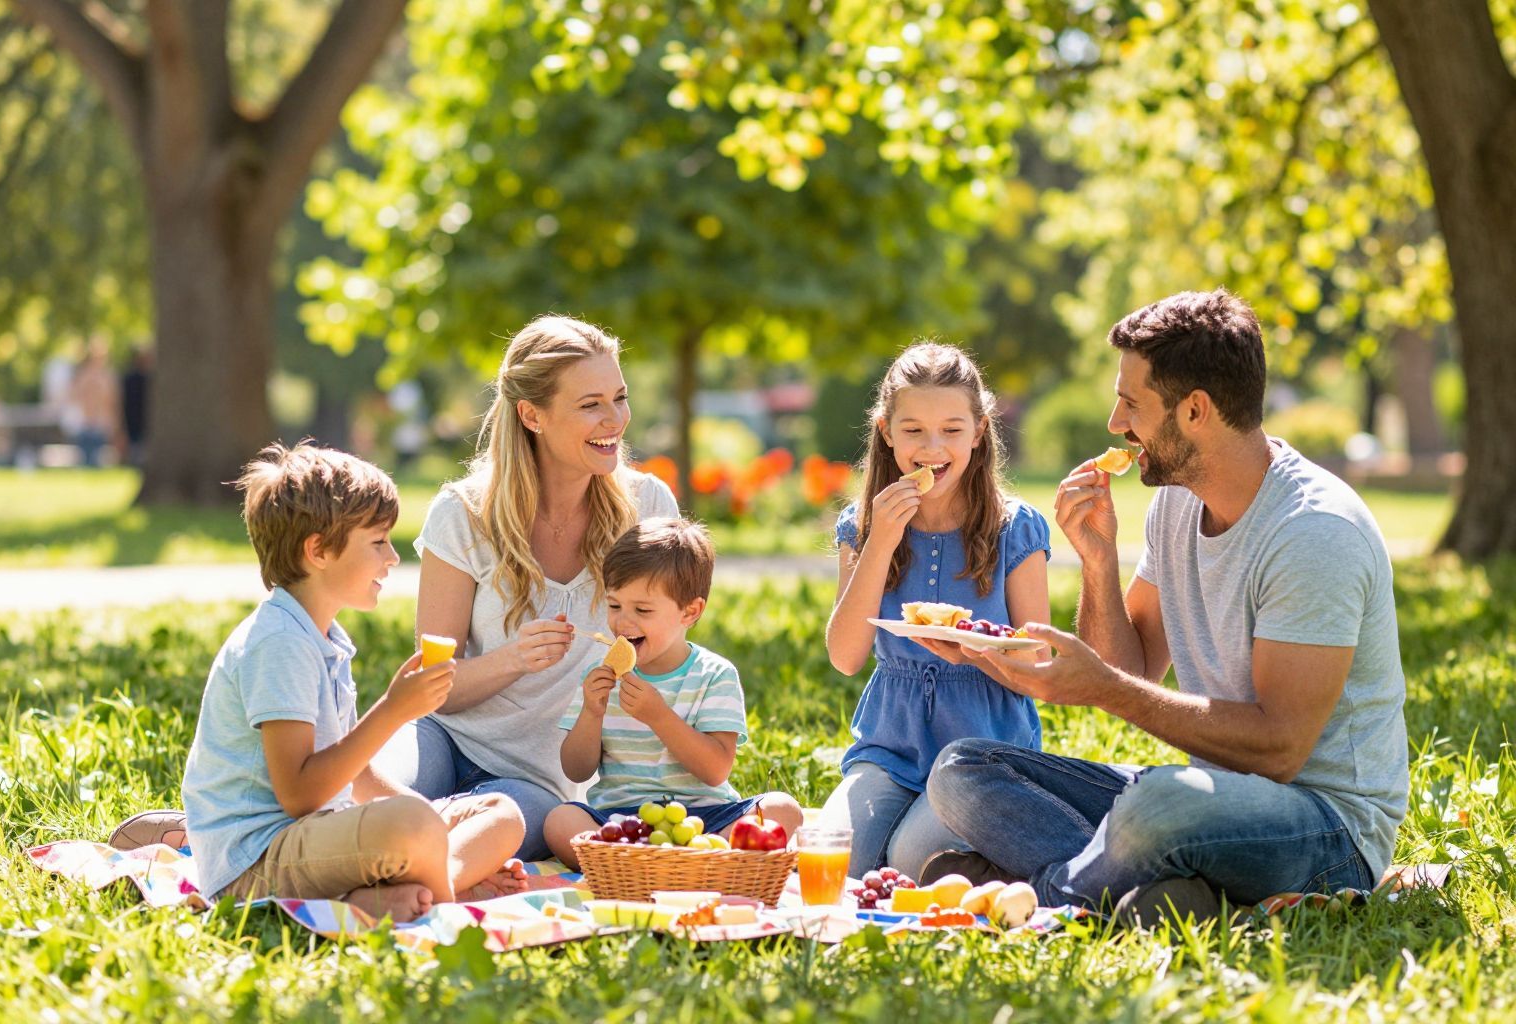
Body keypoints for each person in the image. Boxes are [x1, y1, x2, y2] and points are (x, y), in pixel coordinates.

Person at [923, 290, 1409, 926]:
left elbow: (1279, 750)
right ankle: (1156, 895)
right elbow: (1135, 667)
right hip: (1210, 798)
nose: (1115, 423)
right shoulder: (1177, 502)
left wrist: (1106, 691)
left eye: (1131, 403)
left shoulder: (1313, 532)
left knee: (1157, 808)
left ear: (1196, 410)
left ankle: (1047, 900)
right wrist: (1099, 563)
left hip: (1324, 827)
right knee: (962, 769)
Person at [358, 315, 679, 860]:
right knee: (370, 803)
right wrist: (513, 660)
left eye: (619, 398)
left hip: (540, 781)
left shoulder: (648, 510)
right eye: (590, 404)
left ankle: (412, 882)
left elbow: (672, 661)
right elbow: (435, 684)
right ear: (531, 414)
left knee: (493, 825)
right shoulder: (462, 514)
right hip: (444, 738)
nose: (615, 420)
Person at [180, 443, 528, 921]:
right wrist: (393, 711)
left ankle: (417, 884)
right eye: (378, 541)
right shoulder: (279, 644)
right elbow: (300, 795)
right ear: (319, 550)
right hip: (256, 863)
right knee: (413, 824)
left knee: (501, 813)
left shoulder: (323, 638)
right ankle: (448, 890)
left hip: (320, 838)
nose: (392, 557)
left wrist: (431, 823)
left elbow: (354, 771)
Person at [820, 342, 1052, 877]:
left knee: (909, 861)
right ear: (885, 430)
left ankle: (1010, 852)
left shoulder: (1015, 528)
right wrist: (879, 542)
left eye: (951, 429)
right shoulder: (864, 525)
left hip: (980, 751)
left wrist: (975, 656)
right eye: (913, 430)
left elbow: (1038, 668)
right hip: (889, 746)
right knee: (837, 862)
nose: (932, 448)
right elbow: (846, 657)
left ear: (980, 429)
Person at [543, 518, 803, 867]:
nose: (623, 621)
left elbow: (715, 771)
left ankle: (694, 856)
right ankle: (668, 863)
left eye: (643, 610)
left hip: (706, 818)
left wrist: (659, 716)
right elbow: (575, 770)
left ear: (690, 611)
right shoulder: (601, 675)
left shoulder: (714, 675)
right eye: (615, 605)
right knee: (559, 822)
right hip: (620, 821)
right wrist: (591, 713)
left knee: (782, 809)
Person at [69, 336, 121, 467]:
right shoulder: (84, 375)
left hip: (102, 424)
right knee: (86, 460)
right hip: (86, 423)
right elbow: (74, 397)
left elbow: (112, 402)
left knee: (98, 460)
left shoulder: (107, 376)